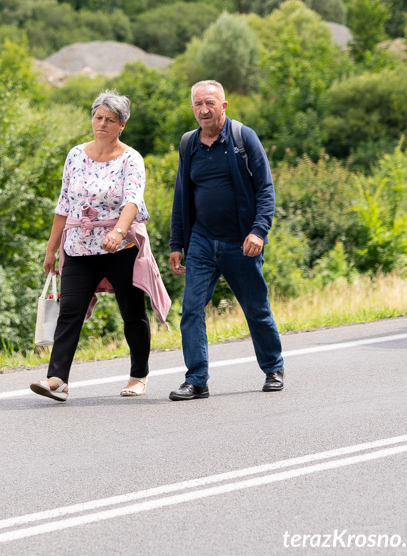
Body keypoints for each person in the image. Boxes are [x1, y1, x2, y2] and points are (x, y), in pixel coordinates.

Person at [30, 90, 170, 402]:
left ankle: (138, 375)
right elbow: (64, 204)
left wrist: (119, 233)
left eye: (110, 119)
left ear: (122, 125)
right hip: (79, 246)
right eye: (98, 117)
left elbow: (133, 199)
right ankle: (57, 379)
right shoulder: (75, 155)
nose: (102, 123)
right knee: (70, 311)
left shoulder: (131, 159)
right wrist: (51, 249)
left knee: (132, 312)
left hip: (119, 249)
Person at [168, 79, 284, 401]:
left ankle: (273, 368)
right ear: (192, 108)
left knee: (256, 308)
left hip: (241, 243)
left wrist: (259, 231)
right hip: (203, 241)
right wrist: (177, 243)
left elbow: (265, 189)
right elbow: (181, 197)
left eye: (210, 103)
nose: (204, 110)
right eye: (198, 104)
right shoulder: (188, 144)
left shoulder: (242, 138)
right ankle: (197, 380)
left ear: (224, 106)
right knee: (191, 309)